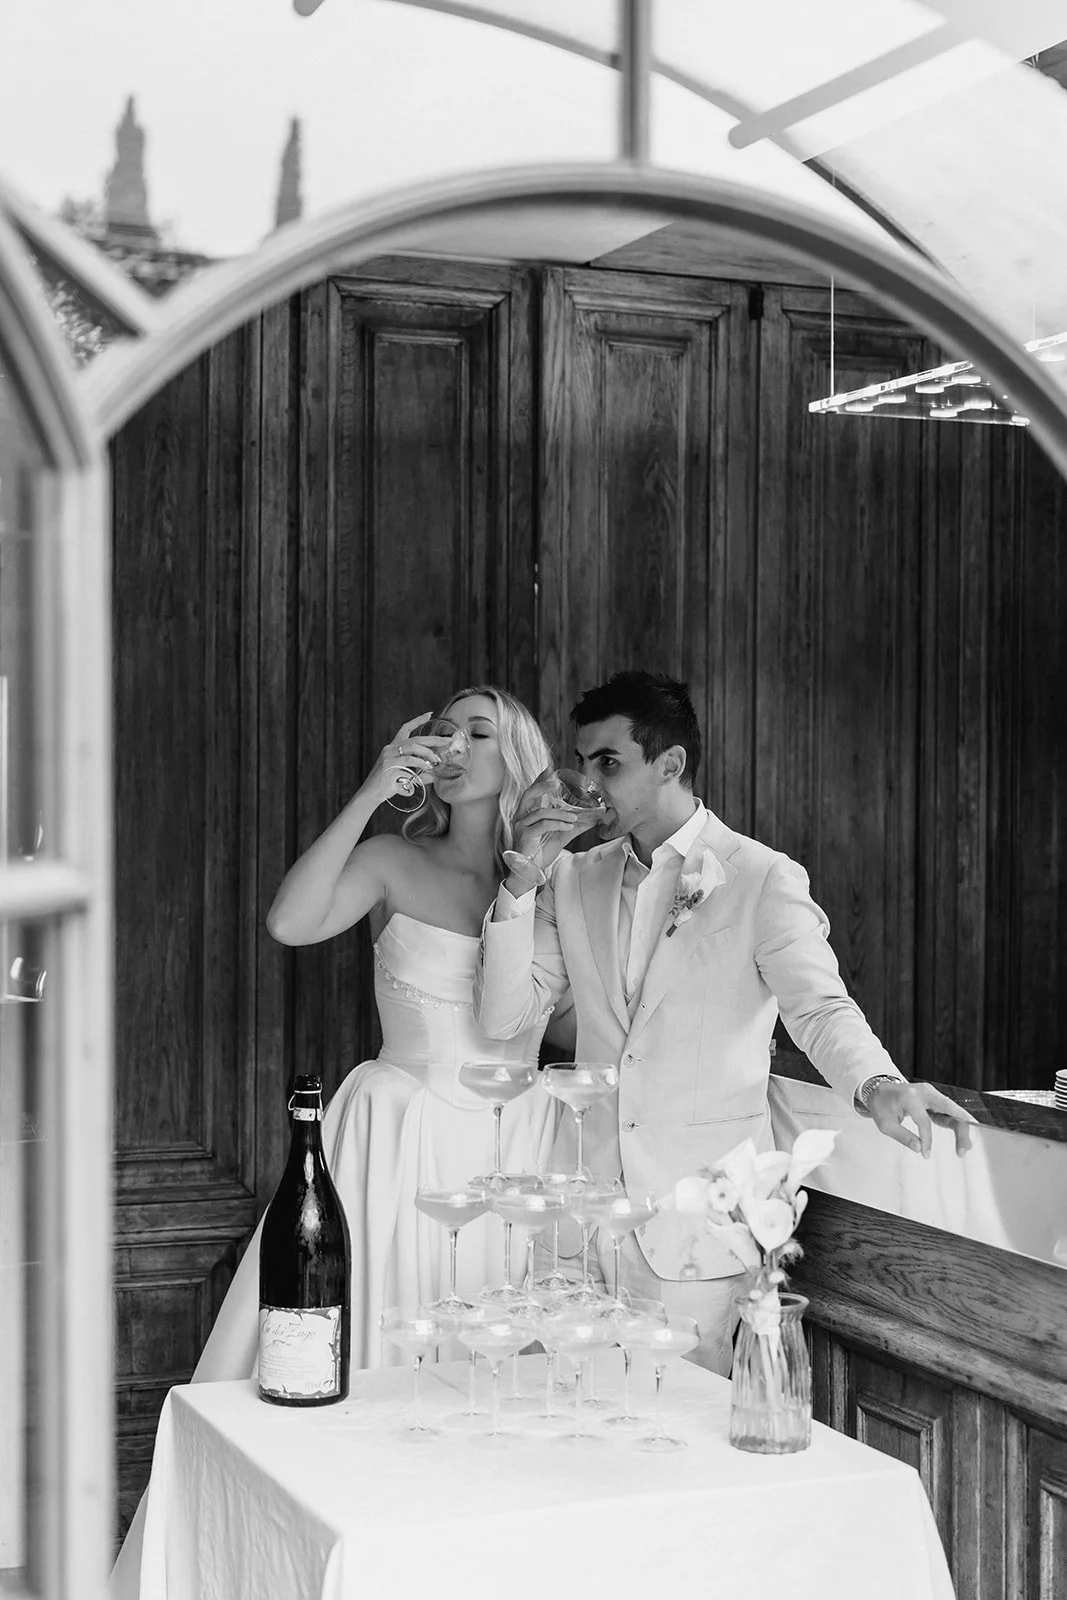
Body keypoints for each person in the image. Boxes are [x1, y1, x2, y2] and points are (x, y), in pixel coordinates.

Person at [110, 684, 564, 1600]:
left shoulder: (561, 884)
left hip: (518, 1150)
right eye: (443, 731)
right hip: (396, 1141)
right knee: (373, 1372)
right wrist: (370, 792)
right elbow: (291, 922)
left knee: (504, 1386)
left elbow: (572, 1024)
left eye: (479, 732)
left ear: (518, 755)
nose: (455, 744)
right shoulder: (394, 858)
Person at [473, 670, 974, 1375]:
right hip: (576, 1212)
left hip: (697, 1225)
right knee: (560, 1412)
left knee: (679, 1423)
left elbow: (819, 1008)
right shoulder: (570, 877)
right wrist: (520, 882)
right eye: (580, 762)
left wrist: (878, 1083)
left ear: (670, 763)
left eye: (608, 763)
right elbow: (504, 1020)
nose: (587, 784)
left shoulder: (761, 878)